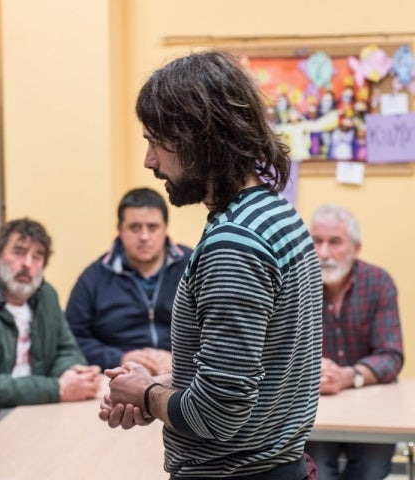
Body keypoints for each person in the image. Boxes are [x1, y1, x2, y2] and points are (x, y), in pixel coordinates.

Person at [99, 50, 323, 479]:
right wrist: (162, 384)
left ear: (198, 138)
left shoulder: (234, 246)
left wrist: (146, 395)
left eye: (154, 141)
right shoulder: (275, 215)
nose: (149, 161)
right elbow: (253, 370)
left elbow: (217, 415)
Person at [0, 218, 101, 425]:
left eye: (37, 257)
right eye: (19, 252)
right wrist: (58, 388)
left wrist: (73, 373)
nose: (28, 264)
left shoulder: (46, 296)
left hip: (42, 410)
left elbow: (67, 350)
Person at [305, 204, 404, 480]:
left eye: (334, 242)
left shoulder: (379, 282)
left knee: (371, 471)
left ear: (356, 248)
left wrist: (350, 376)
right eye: (317, 241)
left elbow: (391, 355)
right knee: (318, 471)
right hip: (316, 408)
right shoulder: (298, 285)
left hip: (371, 407)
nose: (323, 253)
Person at [65, 187, 192, 374]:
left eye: (153, 227)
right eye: (135, 227)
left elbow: (220, 329)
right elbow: (72, 338)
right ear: (119, 229)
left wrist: (181, 359)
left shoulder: (194, 266)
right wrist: (119, 358)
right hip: (116, 376)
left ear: (165, 228)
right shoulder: (93, 278)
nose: (144, 237)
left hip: (185, 375)